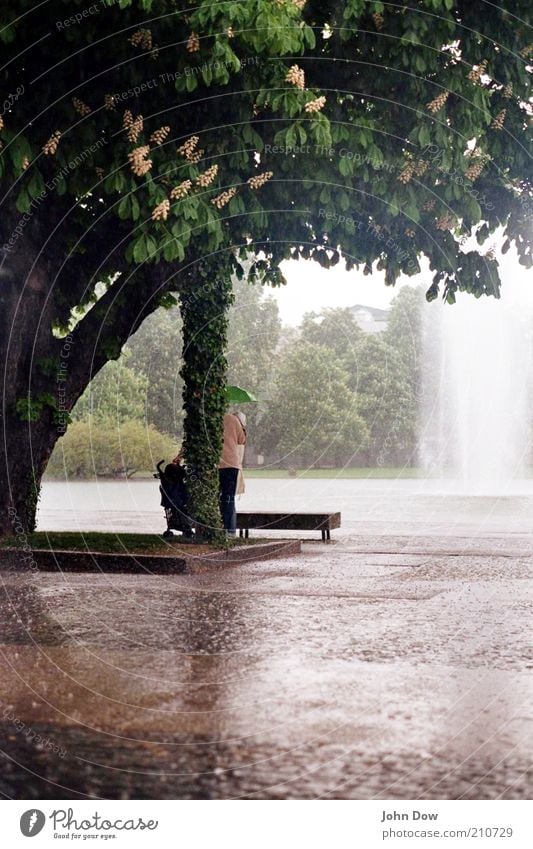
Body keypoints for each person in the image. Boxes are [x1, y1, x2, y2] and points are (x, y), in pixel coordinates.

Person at [218, 411, 247, 534]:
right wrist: (241, 427)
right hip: (232, 464)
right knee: (229, 498)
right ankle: (230, 531)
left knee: (216, 498)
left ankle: (217, 528)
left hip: (216, 464)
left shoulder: (209, 419)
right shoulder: (233, 419)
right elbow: (242, 440)